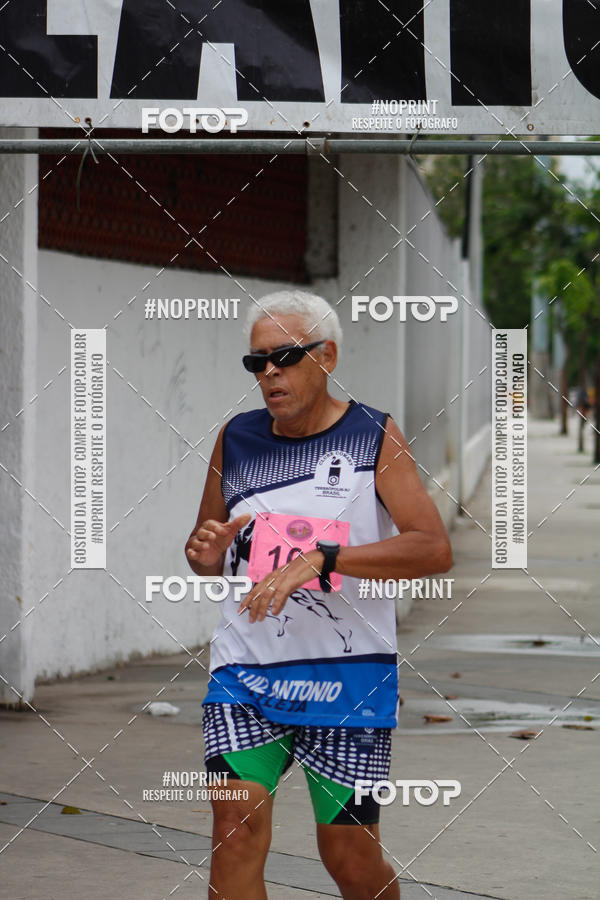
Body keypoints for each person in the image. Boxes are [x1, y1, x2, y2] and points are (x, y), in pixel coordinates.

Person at [185, 290, 452, 899]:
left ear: (326, 356)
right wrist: (203, 553)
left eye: (285, 357)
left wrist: (326, 560)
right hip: (245, 673)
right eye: (257, 363)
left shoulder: (373, 436)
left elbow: (432, 548)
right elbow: (209, 550)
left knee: (349, 858)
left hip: (348, 681)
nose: (270, 373)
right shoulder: (237, 439)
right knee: (234, 829)